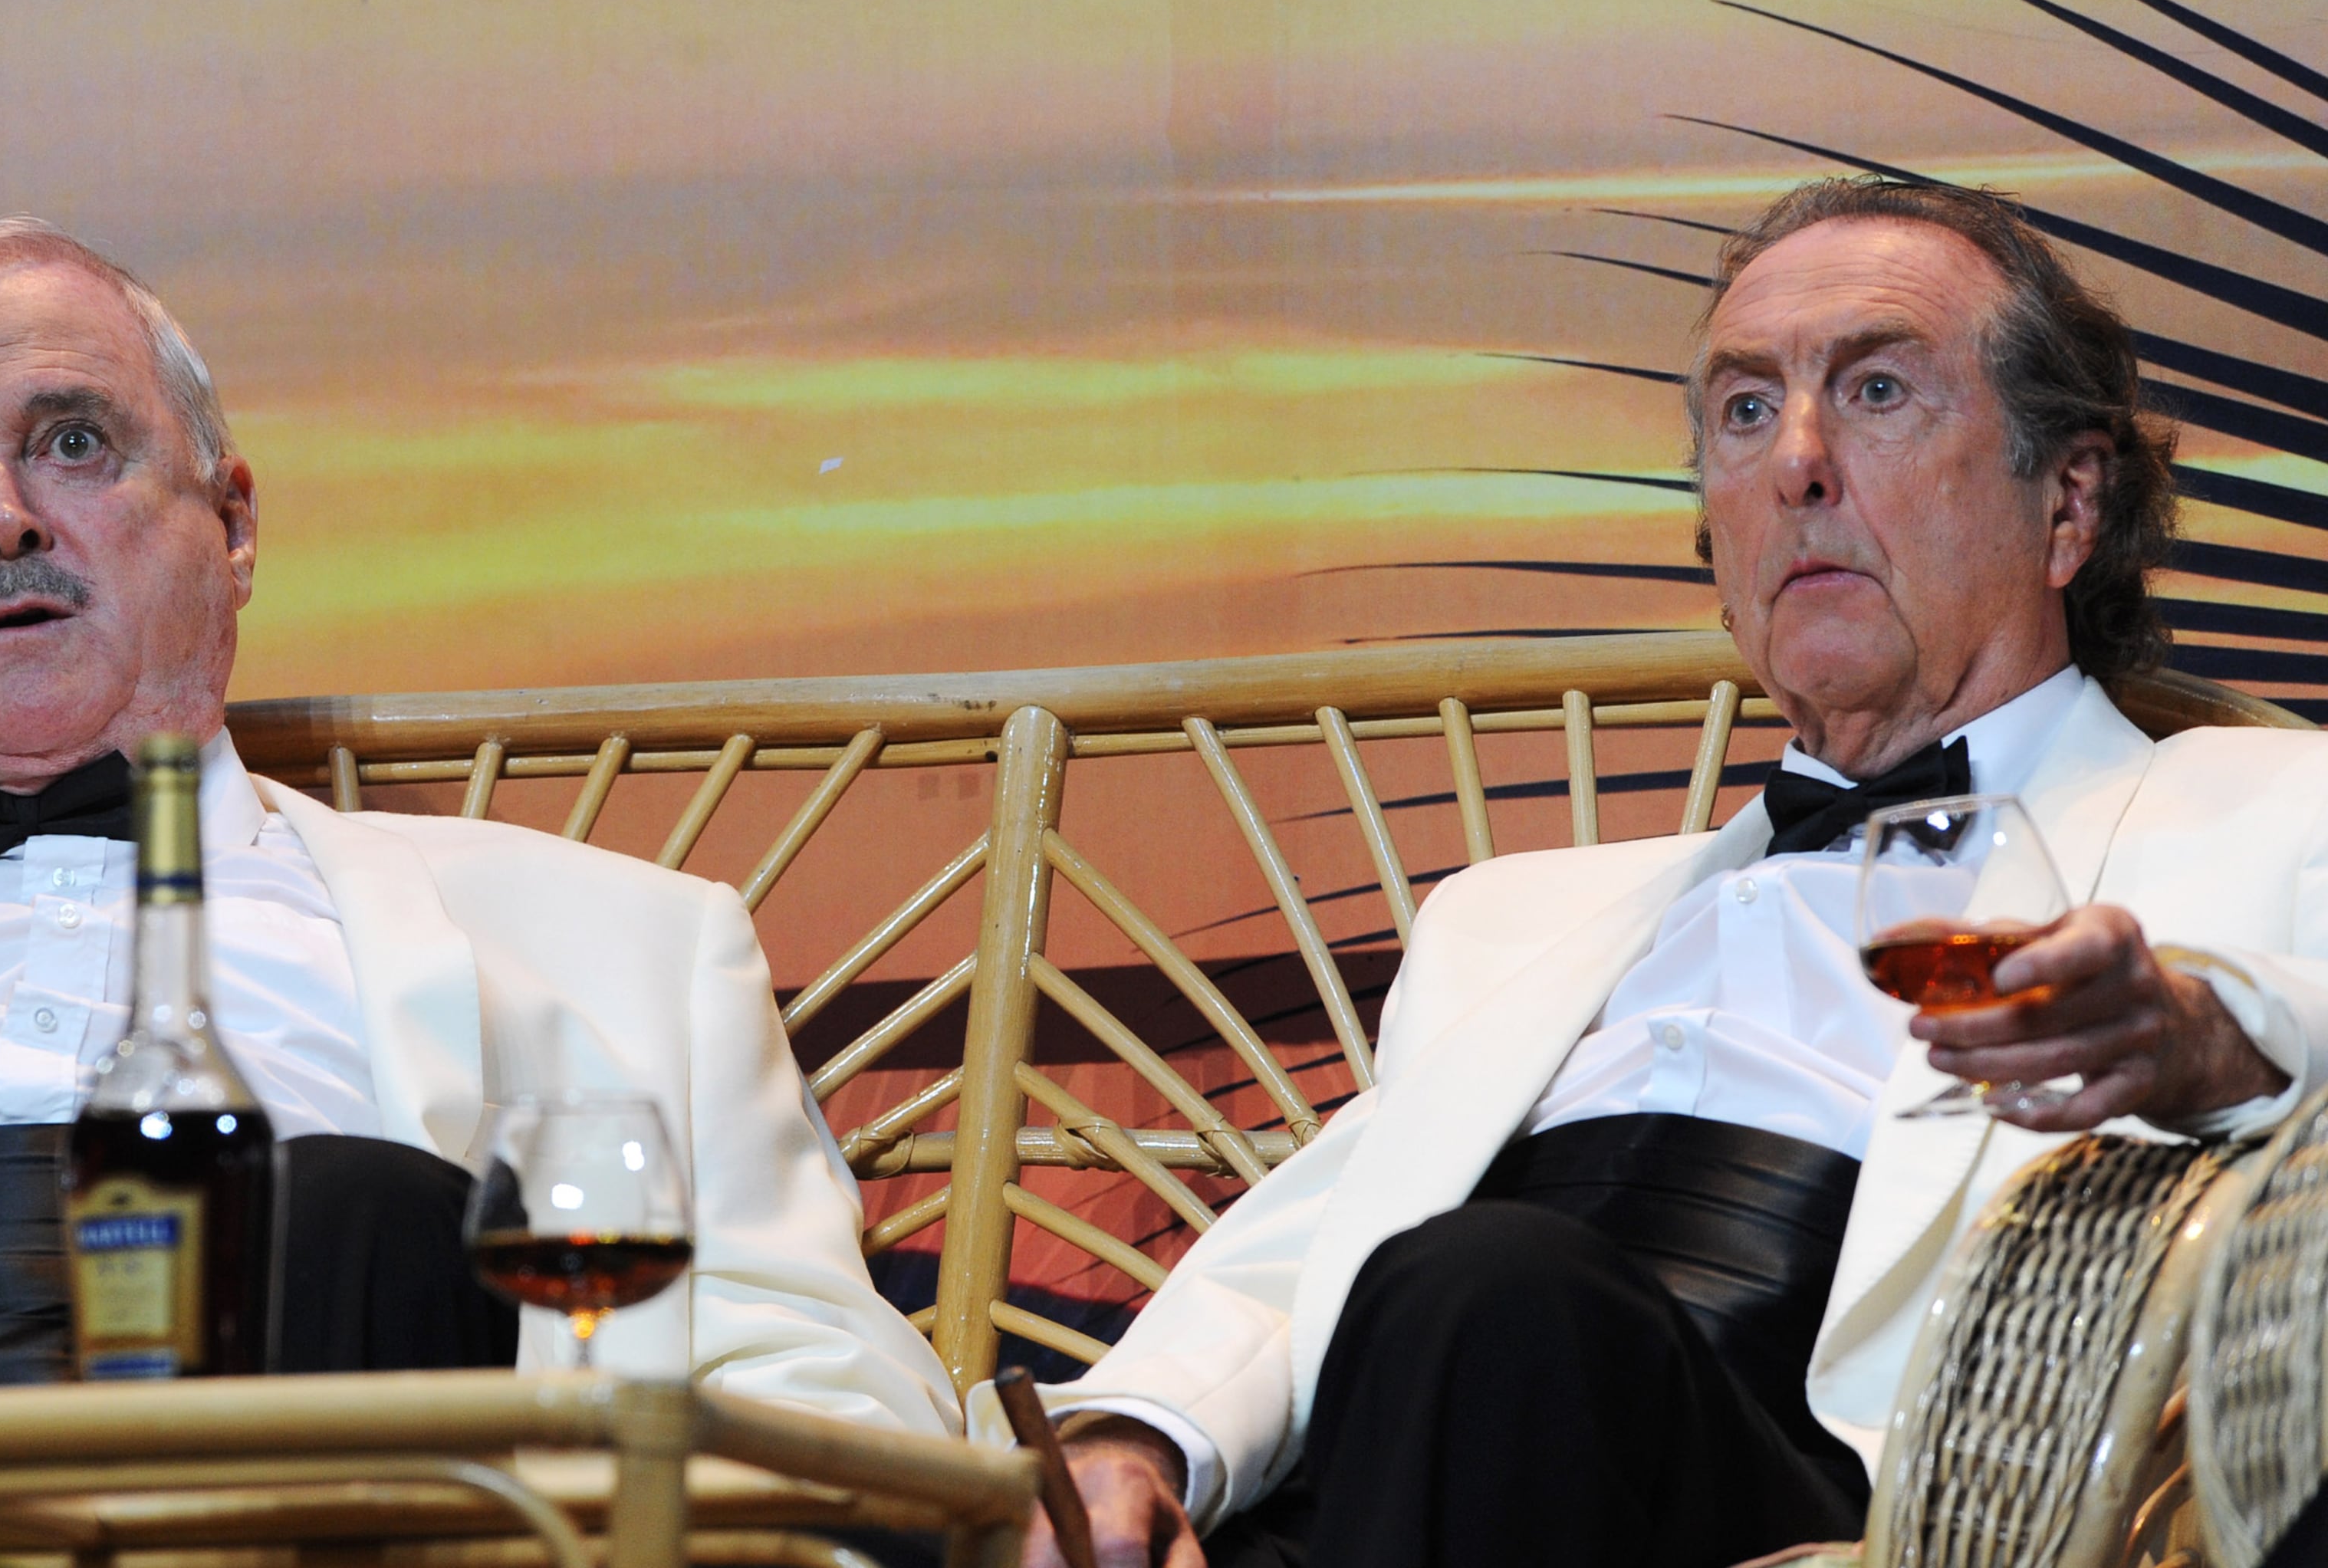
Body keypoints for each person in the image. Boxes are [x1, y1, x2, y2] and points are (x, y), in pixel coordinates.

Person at [0, 218, 958, 1431]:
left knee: (353, 1210)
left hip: (362, 1481)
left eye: (74, 441)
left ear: (235, 523)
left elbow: (827, 1393)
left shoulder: (622, 946)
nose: (2, 517)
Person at [987, 177, 2328, 1568]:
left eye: (1876, 391)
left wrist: (2208, 1040)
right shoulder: (1516, 917)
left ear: (2068, 500)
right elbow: (1325, 1240)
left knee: (1492, 1293)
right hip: (1409, 1460)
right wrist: (1132, 1439)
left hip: (1808, 1502)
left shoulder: (2274, 809)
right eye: (1745, 411)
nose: (1796, 461)